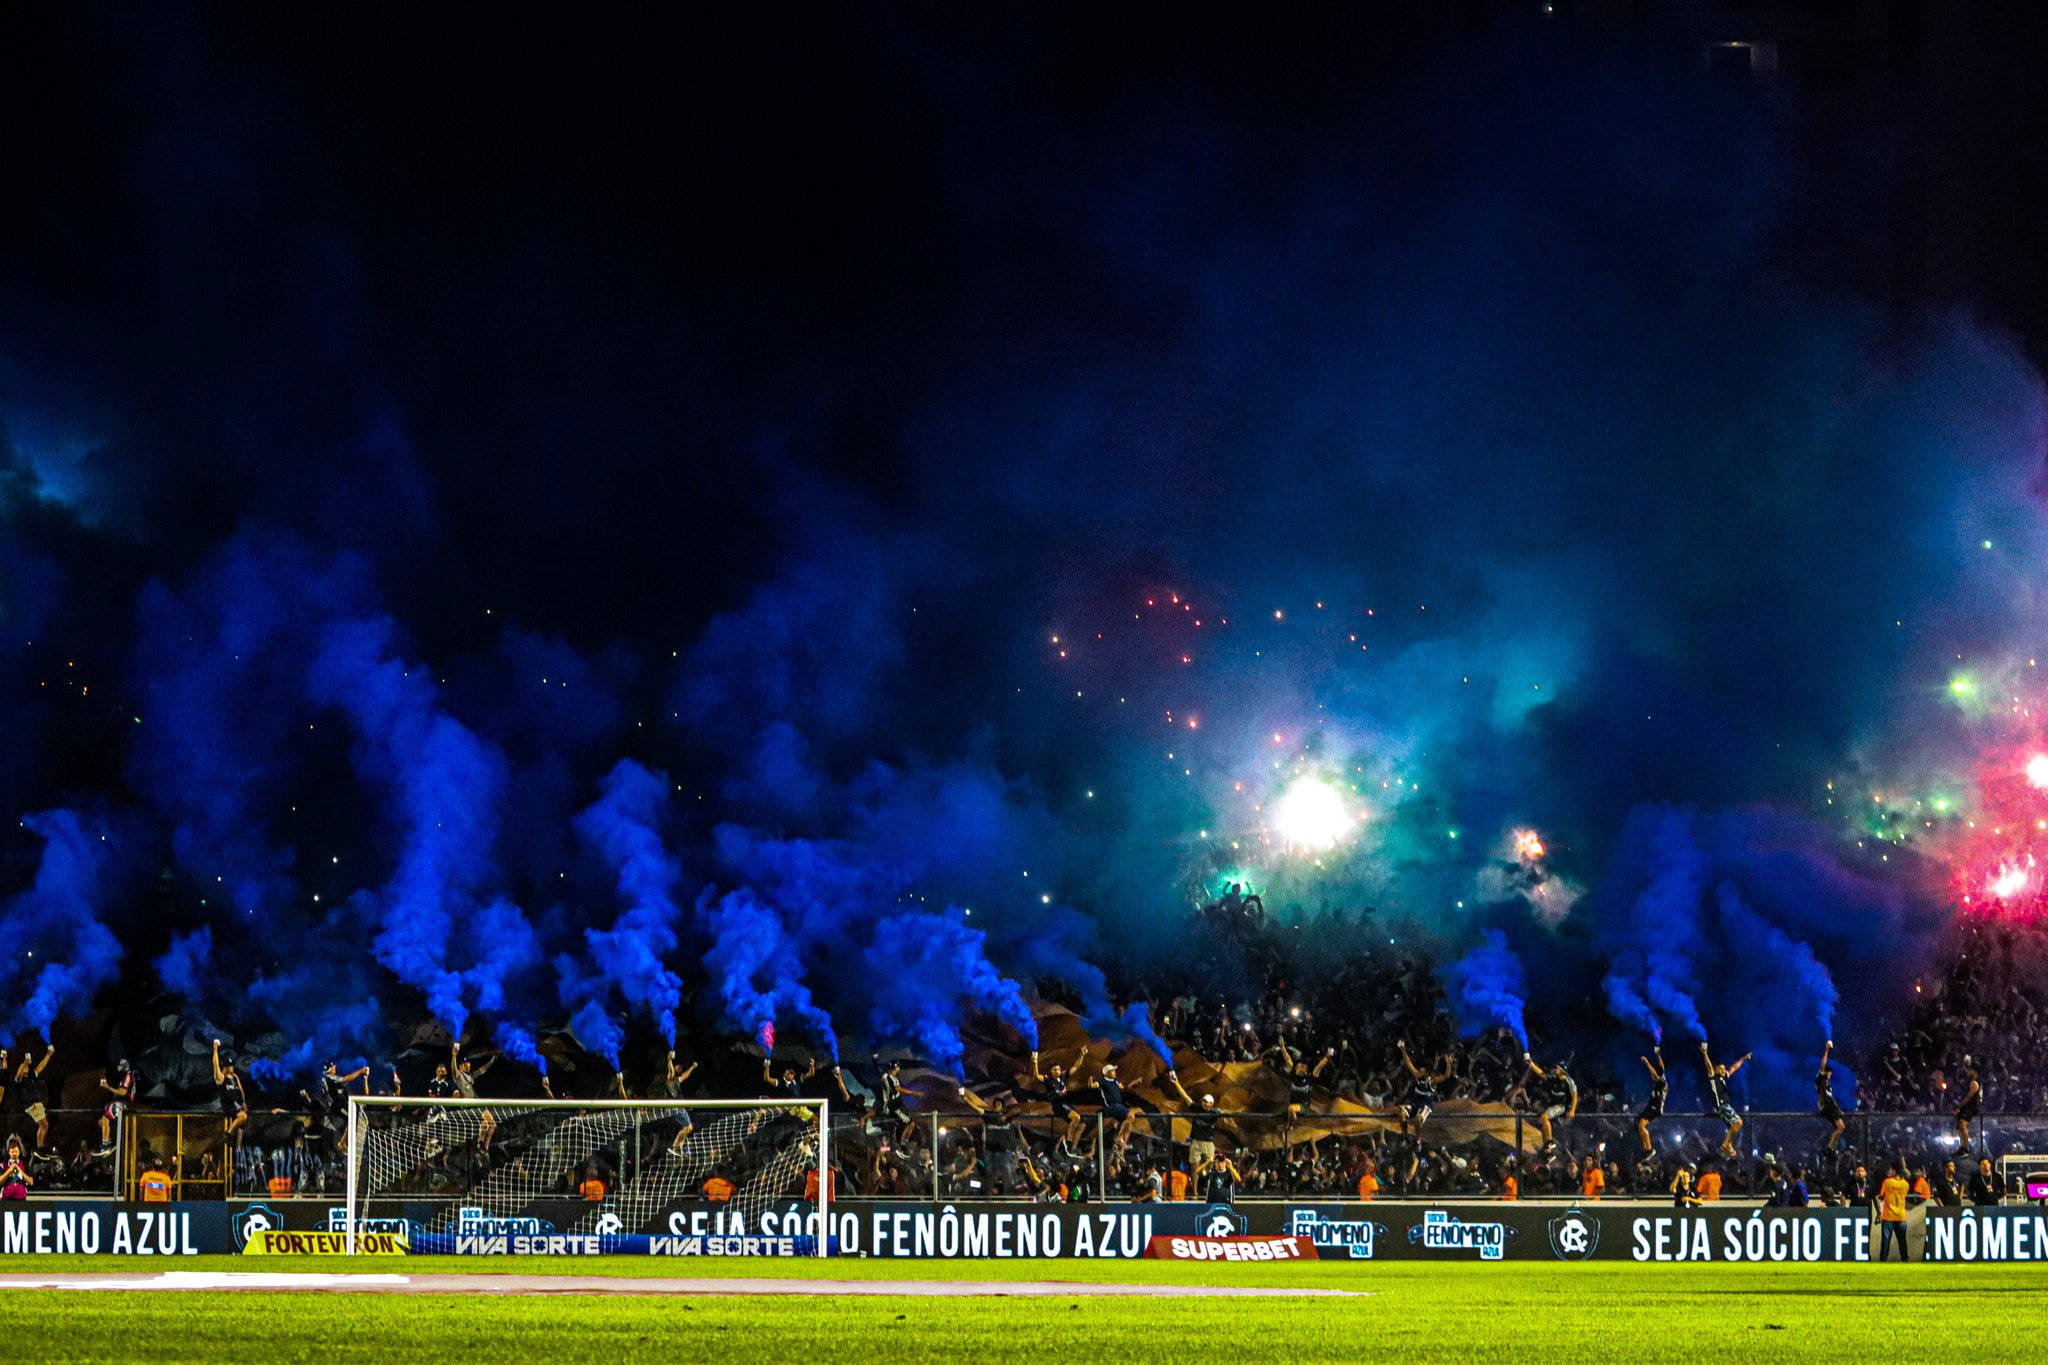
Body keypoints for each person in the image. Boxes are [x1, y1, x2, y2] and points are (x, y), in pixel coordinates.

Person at [1699, 1041, 1751, 1159]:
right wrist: (1705, 1053)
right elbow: (1709, 1066)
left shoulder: (1723, 1078)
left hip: (1725, 1105)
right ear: (1716, 1070)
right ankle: (1726, 1144)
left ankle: (1727, 1145)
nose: (1723, 1071)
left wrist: (1743, 1059)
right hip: (1721, 1105)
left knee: (1735, 1126)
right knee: (1738, 1122)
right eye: (1721, 1069)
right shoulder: (1713, 1077)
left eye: (1723, 1069)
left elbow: (1733, 1068)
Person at [1522, 1051, 1577, 1151]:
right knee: (1543, 1127)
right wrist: (1532, 1064)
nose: (1555, 1069)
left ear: (1561, 1070)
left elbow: (1574, 1096)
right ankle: (1548, 1150)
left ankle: (1550, 1142)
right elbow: (1542, 1073)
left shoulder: (1569, 1081)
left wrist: (1572, 1109)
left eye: (1557, 1068)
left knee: (1544, 1116)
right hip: (1553, 1104)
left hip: (1562, 1106)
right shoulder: (1553, 1078)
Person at [452, 1041, 498, 1151]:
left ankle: (485, 1146)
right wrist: (454, 1056)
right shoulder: (458, 1076)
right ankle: (479, 1143)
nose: (469, 1065)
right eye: (466, 1063)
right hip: (469, 1106)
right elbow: (453, 1070)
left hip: (476, 1102)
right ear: (461, 1065)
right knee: (486, 1123)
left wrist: (492, 1060)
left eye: (468, 1063)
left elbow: (482, 1070)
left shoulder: (470, 1076)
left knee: (492, 1124)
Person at [11, 1045, 54, 1154]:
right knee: (44, 1124)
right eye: (23, 1067)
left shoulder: (30, 1077)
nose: (25, 1067)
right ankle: (40, 1148)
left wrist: (48, 1055)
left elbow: (40, 1067)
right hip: (31, 1104)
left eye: (26, 1067)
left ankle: (41, 1147)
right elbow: (19, 1073)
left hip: (36, 1103)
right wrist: (25, 1062)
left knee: (45, 1125)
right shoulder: (19, 1080)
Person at [97, 1057, 136, 1157]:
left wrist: (107, 1087)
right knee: (101, 1121)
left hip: (123, 1104)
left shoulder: (127, 1076)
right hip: (119, 1102)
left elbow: (123, 1092)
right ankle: (108, 1142)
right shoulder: (124, 1077)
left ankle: (105, 1146)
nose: (118, 1067)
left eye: (120, 1066)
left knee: (105, 1120)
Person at [211, 1040, 247, 1146]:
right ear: (225, 1067)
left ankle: (237, 1143)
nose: (232, 1067)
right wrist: (215, 1049)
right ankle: (227, 1133)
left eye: (232, 1065)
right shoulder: (221, 1077)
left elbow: (240, 1090)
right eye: (230, 1066)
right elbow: (215, 1065)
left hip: (236, 1105)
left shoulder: (234, 1077)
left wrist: (243, 1103)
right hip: (228, 1105)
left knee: (243, 1122)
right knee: (243, 1116)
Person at [1815, 1040, 1846, 1154]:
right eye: (1829, 1073)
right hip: (1827, 1107)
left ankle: (1830, 1147)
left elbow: (1831, 1099)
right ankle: (1830, 1147)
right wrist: (1827, 1049)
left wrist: (1838, 1110)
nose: (1830, 1076)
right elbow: (1823, 1064)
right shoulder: (1821, 1079)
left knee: (1840, 1128)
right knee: (1841, 1127)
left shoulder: (1828, 1085)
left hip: (1830, 1107)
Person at [1635, 1047, 1666, 1156]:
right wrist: (1658, 1056)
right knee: (1638, 1123)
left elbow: (1657, 1074)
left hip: (1655, 1108)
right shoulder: (1659, 1084)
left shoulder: (1662, 1082)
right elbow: (1661, 1067)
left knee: (1642, 1125)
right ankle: (1645, 1148)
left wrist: (1647, 1063)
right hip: (1651, 1106)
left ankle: (1649, 1149)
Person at [1877, 1163, 1911, 1262]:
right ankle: (1904, 1259)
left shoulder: (1887, 1182)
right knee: (1902, 1241)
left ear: (1894, 1171)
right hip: (1901, 1216)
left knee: (1885, 1240)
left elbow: (1882, 1195)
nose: (1889, 1171)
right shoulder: (1905, 1184)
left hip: (1888, 1215)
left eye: (1891, 1170)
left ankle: (1883, 1260)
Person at [1956, 1065, 1983, 1151]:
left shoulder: (1974, 1083)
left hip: (1971, 1107)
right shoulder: (1973, 1082)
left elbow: (1969, 1097)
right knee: (1959, 1126)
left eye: (1970, 1070)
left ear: (1974, 1072)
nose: (1968, 1072)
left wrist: (1959, 1107)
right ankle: (1962, 1146)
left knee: (1962, 1124)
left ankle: (1965, 1147)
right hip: (1970, 1106)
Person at [1, 1136, 30, 1200]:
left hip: (21, 1198)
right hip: (6, 1199)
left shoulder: (24, 1165)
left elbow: (31, 1182)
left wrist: (20, 1170)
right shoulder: (3, 1165)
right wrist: (9, 1170)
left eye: (16, 1151)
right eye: (12, 1152)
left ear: (19, 1152)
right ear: (9, 1152)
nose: (14, 1154)